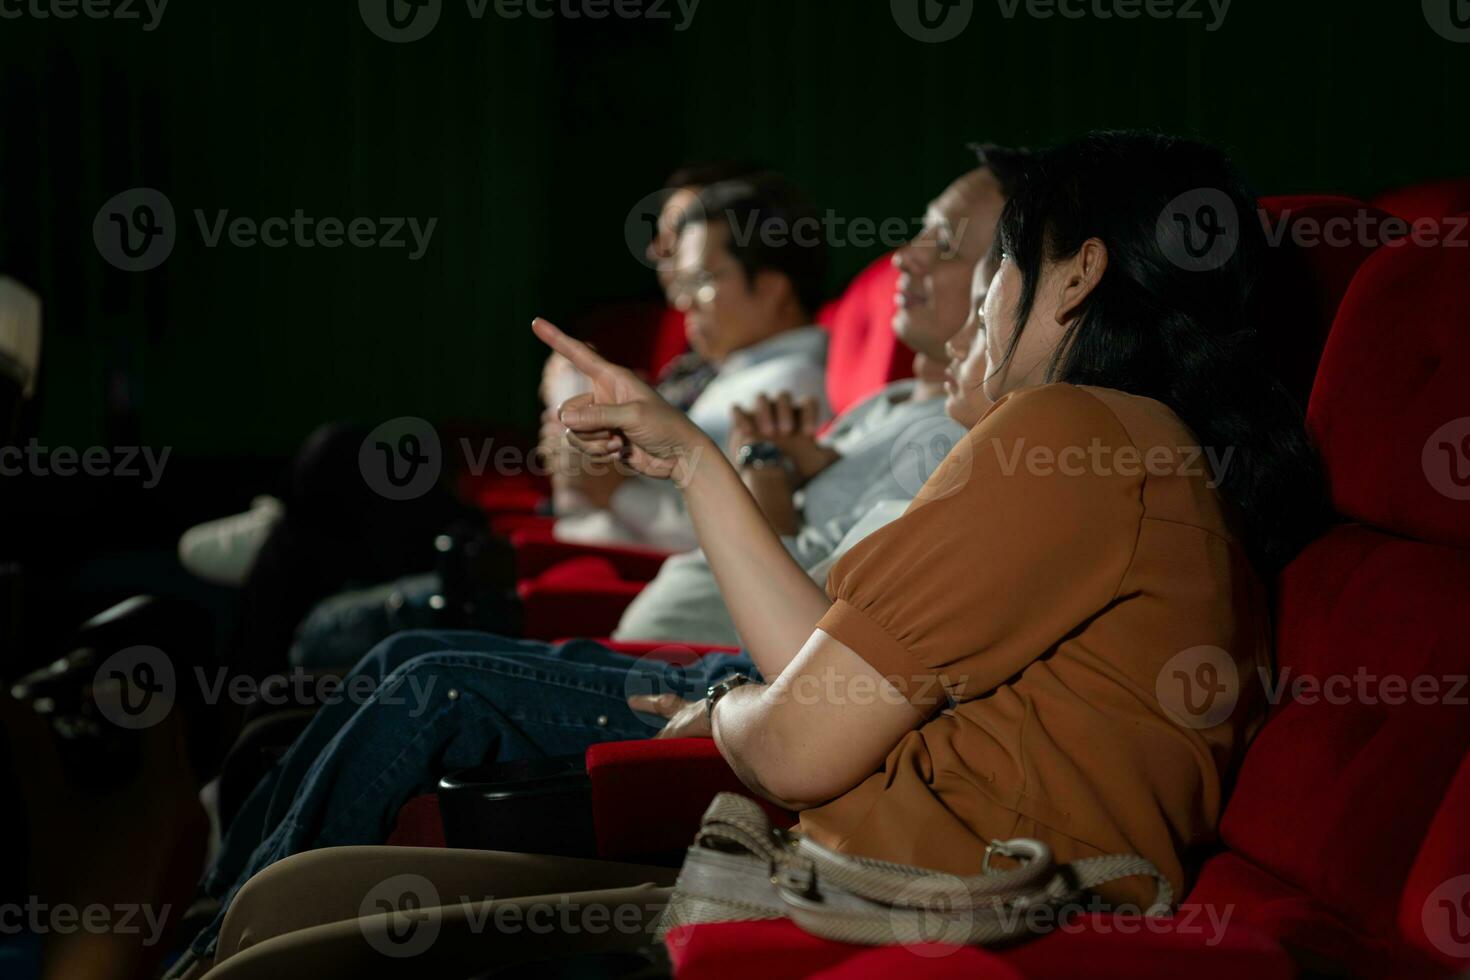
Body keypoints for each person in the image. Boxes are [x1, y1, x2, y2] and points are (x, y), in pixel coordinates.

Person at [186, 130, 1329, 978]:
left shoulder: (1072, 437)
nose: (967, 300)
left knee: (281, 940)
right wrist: (689, 456)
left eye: (990, 263)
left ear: (1075, 275)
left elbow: (788, 742)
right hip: (842, 877)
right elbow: (822, 667)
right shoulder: (1125, 448)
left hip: (891, 908)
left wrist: (724, 709)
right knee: (285, 909)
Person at [168, 151, 1021, 976]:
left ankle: (206, 926)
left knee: (403, 656)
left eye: (956, 257)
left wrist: (731, 475)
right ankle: (211, 900)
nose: (906, 258)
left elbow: (818, 627)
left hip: (726, 666)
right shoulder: (885, 411)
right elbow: (798, 552)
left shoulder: (977, 448)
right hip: (709, 645)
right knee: (389, 641)